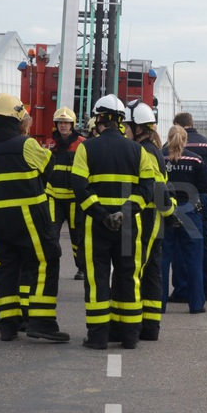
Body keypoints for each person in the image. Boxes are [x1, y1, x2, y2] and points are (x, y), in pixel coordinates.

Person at [0, 93, 69, 343]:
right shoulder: (25, 144)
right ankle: (43, 322)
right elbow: (49, 168)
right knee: (47, 261)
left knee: (6, 268)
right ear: (17, 116)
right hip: (29, 217)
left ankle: (7, 324)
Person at [71, 94, 155, 350]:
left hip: (96, 226)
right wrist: (125, 213)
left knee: (97, 279)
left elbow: (79, 186)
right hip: (128, 227)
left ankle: (98, 337)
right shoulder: (138, 150)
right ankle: (129, 336)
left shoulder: (86, 147)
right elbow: (148, 188)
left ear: (99, 119)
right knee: (128, 277)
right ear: (120, 120)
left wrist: (102, 215)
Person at [125, 100, 175, 340]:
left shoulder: (144, 151)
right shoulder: (152, 148)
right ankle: (150, 326)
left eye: (127, 125)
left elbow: (156, 188)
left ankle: (134, 327)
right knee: (152, 271)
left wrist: (169, 213)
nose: (124, 130)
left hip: (147, 218)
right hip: (154, 218)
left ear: (138, 128)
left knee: (137, 271)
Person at [162, 125, 207, 315]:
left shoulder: (160, 157)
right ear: (185, 140)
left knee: (163, 259)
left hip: (166, 212)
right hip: (190, 212)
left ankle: (158, 304)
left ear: (168, 138)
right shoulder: (195, 160)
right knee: (194, 259)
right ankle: (196, 304)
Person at [171, 112, 207, 303]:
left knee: (179, 244)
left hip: (179, 199)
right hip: (201, 197)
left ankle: (182, 288)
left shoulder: (171, 147)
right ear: (192, 124)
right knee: (203, 243)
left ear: (178, 126)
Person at [43, 107, 85, 280]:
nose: (63, 126)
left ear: (72, 124)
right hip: (53, 197)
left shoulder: (82, 143)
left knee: (77, 236)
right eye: (60, 123)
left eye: (66, 123)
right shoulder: (49, 143)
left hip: (74, 199)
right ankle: (50, 266)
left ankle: (81, 267)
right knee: (51, 233)